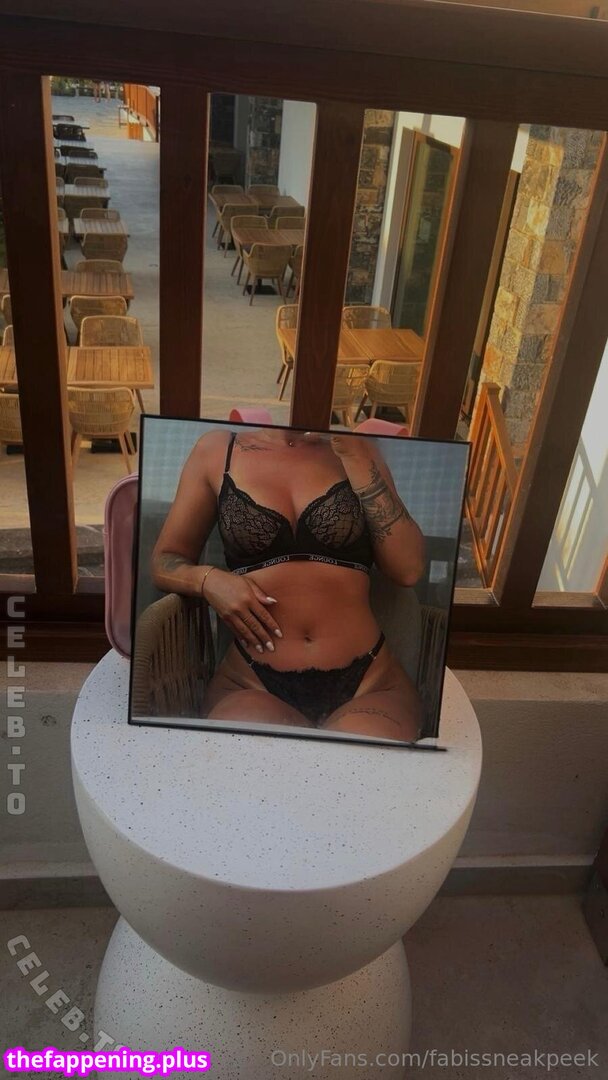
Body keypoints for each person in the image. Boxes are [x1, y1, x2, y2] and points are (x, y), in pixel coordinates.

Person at [151, 427, 426, 741]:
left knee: (360, 763)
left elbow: (408, 570)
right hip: (252, 682)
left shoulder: (356, 447)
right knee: (244, 758)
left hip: (369, 682)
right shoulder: (217, 450)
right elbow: (164, 561)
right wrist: (209, 580)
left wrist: (356, 454)